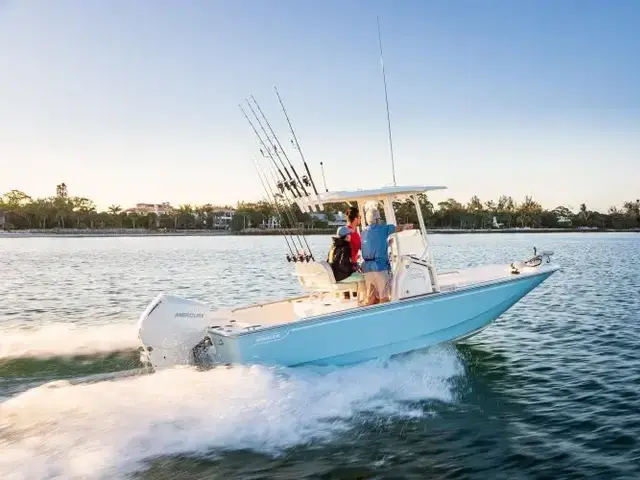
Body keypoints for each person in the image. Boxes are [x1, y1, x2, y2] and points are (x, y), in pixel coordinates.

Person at [360, 206, 396, 304]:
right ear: (377, 219)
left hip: (367, 269)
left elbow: (371, 246)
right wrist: (407, 226)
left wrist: (386, 244)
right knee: (384, 298)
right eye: (379, 219)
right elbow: (397, 228)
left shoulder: (363, 232)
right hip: (379, 267)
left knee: (370, 298)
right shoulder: (382, 229)